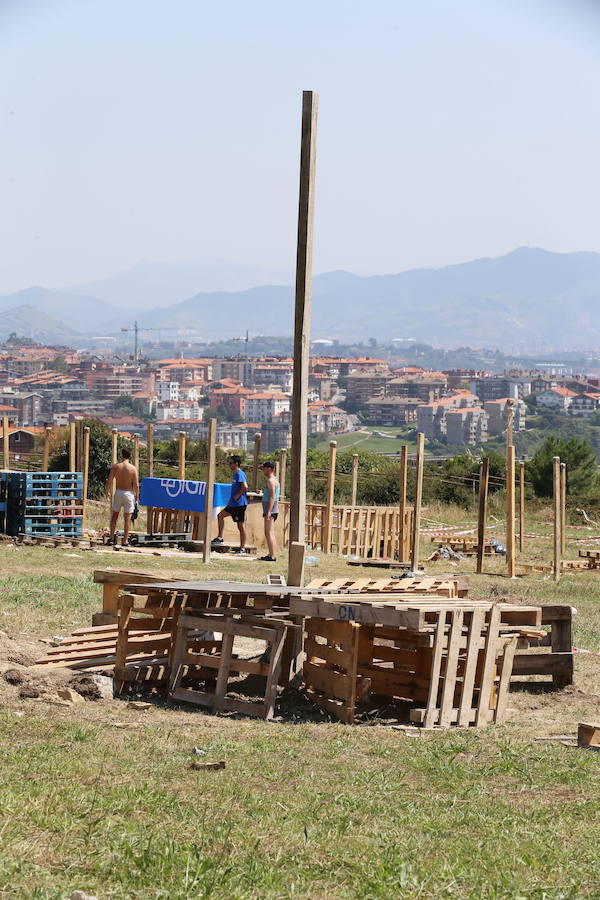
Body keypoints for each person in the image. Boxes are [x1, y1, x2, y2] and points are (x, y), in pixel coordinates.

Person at [213, 455, 248, 553]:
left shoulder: (240, 474)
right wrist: (230, 502)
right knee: (220, 516)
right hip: (232, 504)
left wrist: (238, 495)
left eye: (231, 463)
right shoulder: (235, 474)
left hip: (239, 504)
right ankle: (220, 537)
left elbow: (245, 486)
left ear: (236, 464)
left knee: (240, 526)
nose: (229, 464)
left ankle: (242, 548)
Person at [105, 447, 139, 546]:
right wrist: (137, 495)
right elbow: (136, 484)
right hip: (129, 493)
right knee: (127, 518)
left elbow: (110, 480)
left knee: (114, 516)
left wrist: (107, 491)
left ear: (121, 455)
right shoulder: (133, 468)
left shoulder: (116, 467)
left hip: (119, 492)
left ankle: (111, 538)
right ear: (130, 456)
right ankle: (125, 541)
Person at [259, 461, 280, 562]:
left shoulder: (271, 481)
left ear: (270, 469)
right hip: (271, 509)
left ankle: (272, 556)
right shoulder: (273, 480)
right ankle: (271, 554)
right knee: (269, 532)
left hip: (270, 510)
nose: (263, 470)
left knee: (269, 532)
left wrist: (269, 511)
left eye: (264, 468)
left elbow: (272, 497)